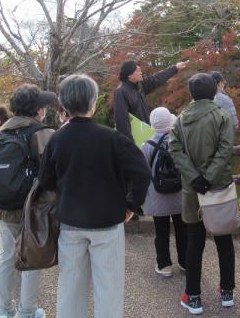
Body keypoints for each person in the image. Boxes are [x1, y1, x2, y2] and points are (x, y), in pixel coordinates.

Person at [39, 74, 150, 318]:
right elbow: (142, 172)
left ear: (64, 106)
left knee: (70, 288)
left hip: (70, 222)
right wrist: (131, 204)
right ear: (93, 103)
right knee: (108, 289)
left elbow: (46, 181)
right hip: (107, 222)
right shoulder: (112, 138)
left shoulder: (56, 139)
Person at [0, 85, 56, 318]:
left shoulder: (2, 133)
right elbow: (54, 174)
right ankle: (27, 311)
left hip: (3, 207)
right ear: (37, 110)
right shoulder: (43, 134)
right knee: (31, 257)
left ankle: (4, 310)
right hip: (33, 208)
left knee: (7, 257)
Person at [169, 73, 235, 315]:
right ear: (214, 92)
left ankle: (193, 297)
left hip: (191, 190)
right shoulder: (222, 115)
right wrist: (209, 177)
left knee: (194, 243)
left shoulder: (180, 120)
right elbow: (226, 148)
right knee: (224, 240)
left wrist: (195, 178)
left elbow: (174, 149)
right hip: (218, 187)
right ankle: (227, 291)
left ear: (191, 93)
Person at [141, 107, 187, 277]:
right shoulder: (180, 143)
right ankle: (185, 262)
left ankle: (164, 265)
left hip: (157, 197)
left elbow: (142, 173)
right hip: (179, 195)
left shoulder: (146, 146)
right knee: (183, 230)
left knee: (161, 232)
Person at [113, 59, 188, 141]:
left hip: (145, 133)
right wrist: (129, 145)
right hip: (134, 140)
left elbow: (157, 78)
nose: (141, 73)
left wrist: (175, 68)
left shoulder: (139, 85)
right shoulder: (121, 92)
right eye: (138, 71)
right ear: (130, 75)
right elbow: (121, 122)